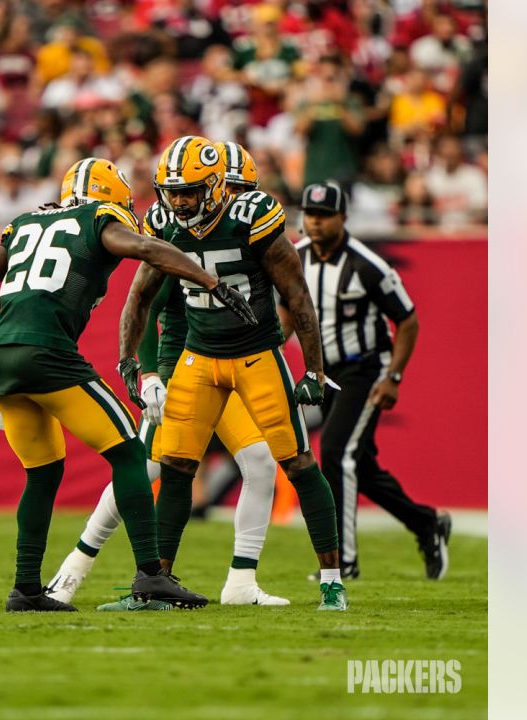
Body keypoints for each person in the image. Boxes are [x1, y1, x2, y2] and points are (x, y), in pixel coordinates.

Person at [0, 157, 257, 612]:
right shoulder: (99, 217)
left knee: (43, 472)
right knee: (129, 452)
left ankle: (26, 589)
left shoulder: (24, 224)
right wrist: (212, 283)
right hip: (47, 353)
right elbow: (147, 250)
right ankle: (151, 576)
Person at [47, 143, 289, 607]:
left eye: (240, 192)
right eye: (229, 190)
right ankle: (73, 569)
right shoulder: (173, 233)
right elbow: (148, 307)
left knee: (259, 464)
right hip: (185, 371)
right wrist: (152, 372)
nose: (232, 203)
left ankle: (241, 583)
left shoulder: (249, 232)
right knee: (143, 470)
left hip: (230, 368)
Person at [118, 135, 348, 611]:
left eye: (190, 190)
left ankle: (331, 580)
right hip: (197, 357)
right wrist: (134, 363)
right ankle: (157, 584)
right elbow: (140, 296)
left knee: (297, 462)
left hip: (255, 355)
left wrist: (315, 369)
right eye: (172, 191)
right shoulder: (162, 221)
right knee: (177, 468)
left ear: (218, 186)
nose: (178, 201)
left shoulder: (252, 218)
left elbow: (297, 297)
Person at [285, 182, 451, 580]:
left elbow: (407, 319)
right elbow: (285, 310)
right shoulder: (294, 257)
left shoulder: (367, 264)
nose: (316, 223)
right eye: (310, 215)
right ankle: (427, 524)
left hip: (364, 368)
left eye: (324, 216)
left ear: (343, 218)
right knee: (360, 465)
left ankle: (343, 562)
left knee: (338, 454)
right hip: (322, 373)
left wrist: (393, 377)